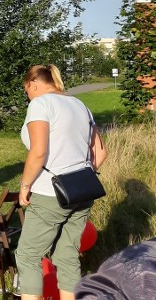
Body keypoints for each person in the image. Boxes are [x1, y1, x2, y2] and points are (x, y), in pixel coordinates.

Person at [16, 64, 108, 300]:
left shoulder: (41, 104)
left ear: (33, 84)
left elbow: (38, 152)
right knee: (67, 256)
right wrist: (78, 177)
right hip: (83, 191)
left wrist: (25, 186)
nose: (28, 96)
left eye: (27, 90)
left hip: (51, 192)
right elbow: (100, 151)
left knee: (28, 255)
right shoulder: (80, 105)